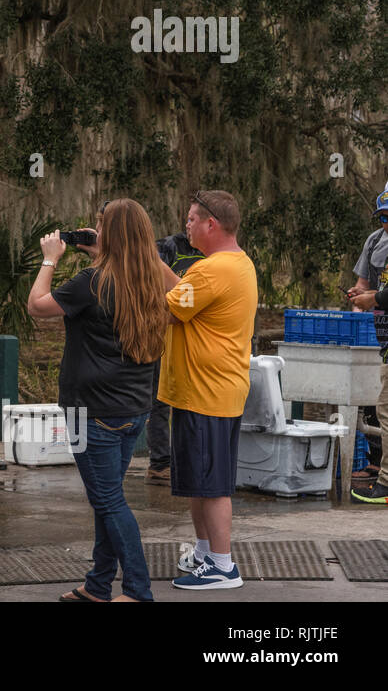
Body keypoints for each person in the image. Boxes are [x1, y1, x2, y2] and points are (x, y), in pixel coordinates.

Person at [28, 199, 169, 603]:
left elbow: (37, 306)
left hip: (88, 412)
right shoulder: (148, 280)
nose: (94, 230)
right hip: (134, 410)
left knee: (109, 502)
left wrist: (50, 259)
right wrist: (114, 250)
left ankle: (139, 591)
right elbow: (179, 289)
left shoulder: (91, 281)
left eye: (101, 226)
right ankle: (98, 584)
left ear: (115, 235)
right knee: (106, 498)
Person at [156, 190, 258, 590]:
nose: (187, 225)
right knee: (200, 480)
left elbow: (165, 310)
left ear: (210, 224)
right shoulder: (235, 263)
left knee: (212, 486)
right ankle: (204, 552)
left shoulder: (212, 271)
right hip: (211, 391)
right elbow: (182, 292)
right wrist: (149, 261)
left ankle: (223, 566)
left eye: (192, 219)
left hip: (207, 393)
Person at [146, 232, 205, 485]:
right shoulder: (170, 247)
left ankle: (189, 458)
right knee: (159, 401)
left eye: (195, 219)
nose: (189, 224)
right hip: (163, 338)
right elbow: (150, 278)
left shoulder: (215, 258)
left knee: (192, 401)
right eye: (189, 219)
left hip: (197, 344)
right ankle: (160, 463)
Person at [344, 186, 388, 504]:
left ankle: (385, 482)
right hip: (384, 338)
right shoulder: (375, 241)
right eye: (383, 217)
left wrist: (374, 297)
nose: (386, 223)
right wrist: (359, 295)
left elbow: (379, 295)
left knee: (386, 410)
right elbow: (365, 285)